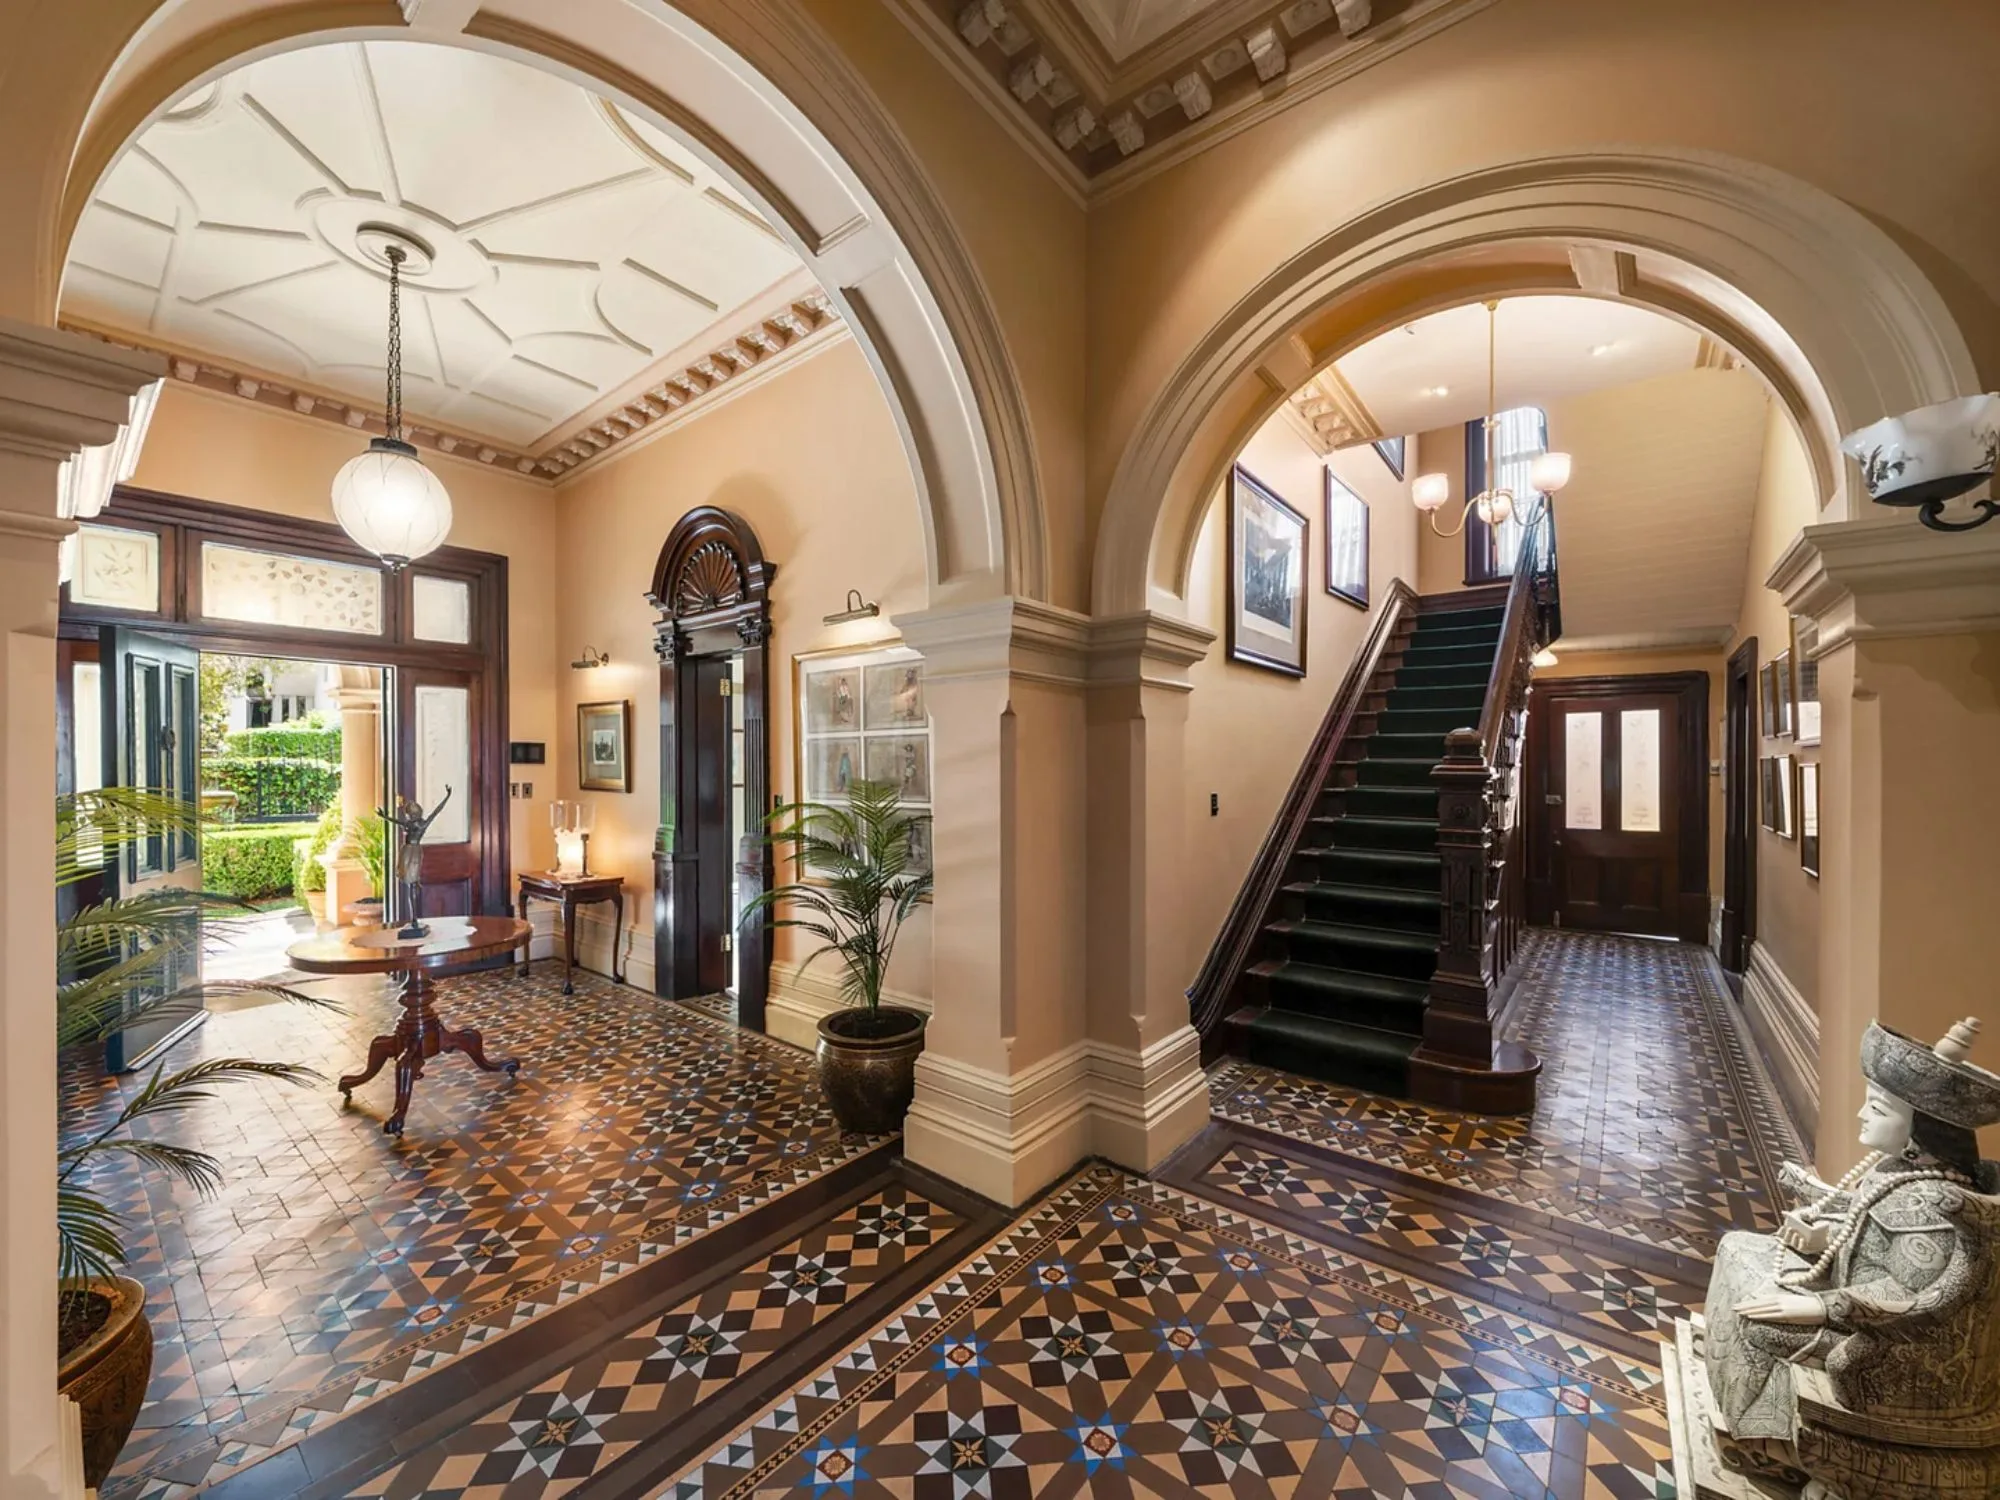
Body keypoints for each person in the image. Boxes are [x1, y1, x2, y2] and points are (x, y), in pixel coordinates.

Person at [1701, 1017, 2000, 1484]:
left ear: (1920, 1132)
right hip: (1846, 1291)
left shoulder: (1935, 1205)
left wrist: (1819, 1306)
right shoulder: (1898, 1171)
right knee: (1736, 1247)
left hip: (1886, 1343)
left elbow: (1911, 1294)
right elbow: (1867, 1228)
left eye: (1877, 1109)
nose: (1862, 1115)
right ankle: (1734, 1384)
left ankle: (1770, 1442)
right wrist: (1824, 1238)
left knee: (1757, 1323)